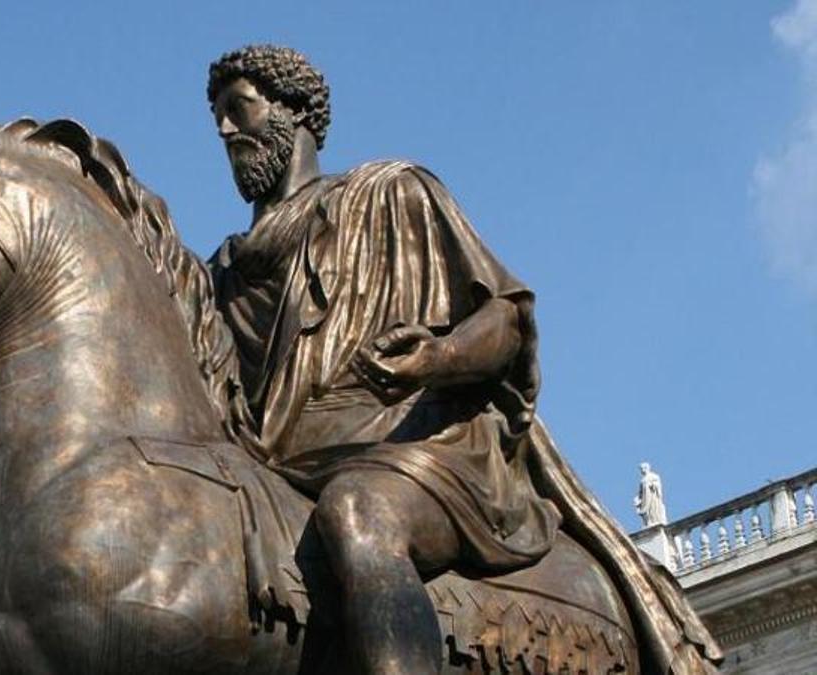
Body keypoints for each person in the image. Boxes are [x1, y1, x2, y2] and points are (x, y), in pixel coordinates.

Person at [206, 44, 560, 674]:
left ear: (295, 111)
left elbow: (505, 319)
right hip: (276, 461)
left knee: (358, 512)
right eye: (218, 120)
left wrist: (439, 356)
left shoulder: (392, 192)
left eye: (240, 109)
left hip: (414, 447)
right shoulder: (223, 273)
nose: (227, 131)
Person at [634, 461, 668, 527]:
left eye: (643, 468)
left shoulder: (654, 476)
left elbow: (658, 485)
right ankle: (648, 521)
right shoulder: (642, 481)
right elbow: (640, 492)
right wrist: (637, 498)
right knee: (647, 512)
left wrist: (653, 485)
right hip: (645, 499)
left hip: (653, 496)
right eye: (641, 469)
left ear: (647, 468)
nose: (642, 470)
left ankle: (655, 520)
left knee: (654, 509)